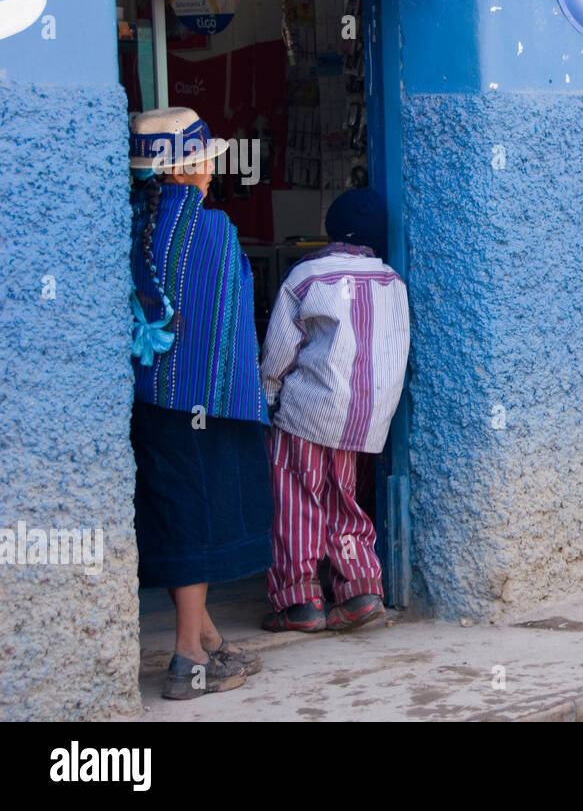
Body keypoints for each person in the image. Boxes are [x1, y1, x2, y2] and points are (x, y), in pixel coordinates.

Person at [128, 107, 272, 700]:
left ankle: (208, 639)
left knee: (174, 514)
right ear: (189, 168)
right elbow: (228, 328)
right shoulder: (211, 231)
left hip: (151, 406)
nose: (212, 169)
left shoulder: (136, 228)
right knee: (197, 521)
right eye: (205, 160)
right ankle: (186, 658)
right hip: (204, 408)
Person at [259, 188, 410, 632]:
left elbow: (279, 351)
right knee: (346, 499)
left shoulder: (307, 276)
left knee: (295, 498)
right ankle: (361, 592)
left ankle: (300, 600)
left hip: (309, 408)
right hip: (365, 415)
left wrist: (268, 397)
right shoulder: (392, 281)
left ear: (330, 230)